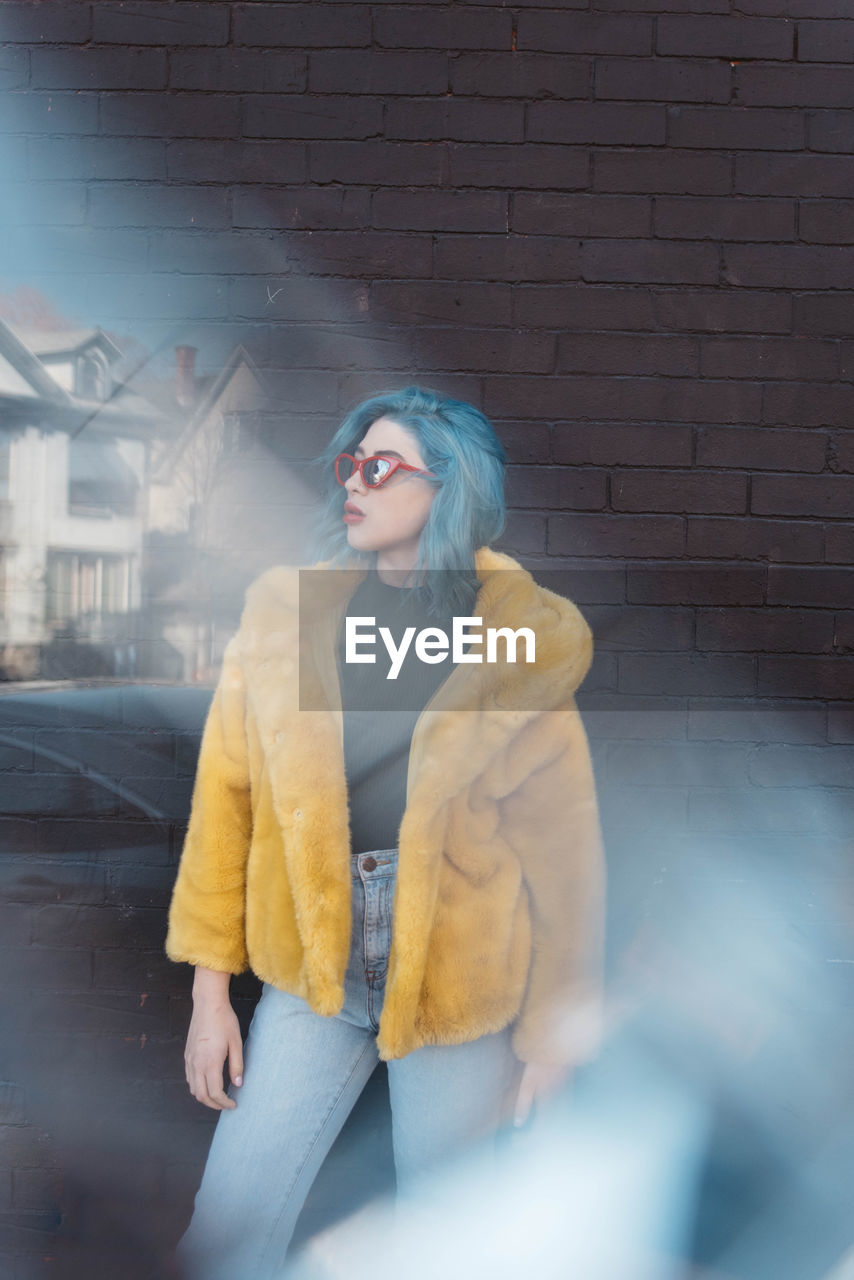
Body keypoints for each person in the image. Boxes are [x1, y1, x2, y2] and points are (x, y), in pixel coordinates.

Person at [164, 385, 606, 1280]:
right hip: (313, 971)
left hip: (458, 978)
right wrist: (213, 997)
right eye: (348, 466)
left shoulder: (510, 639)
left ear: (448, 489)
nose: (352, 486)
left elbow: (566, 858)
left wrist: (554, 1041)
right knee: (224, 1230)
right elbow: (227, 804)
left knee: (451, 1251)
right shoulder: (290, 618)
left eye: (379, 467)